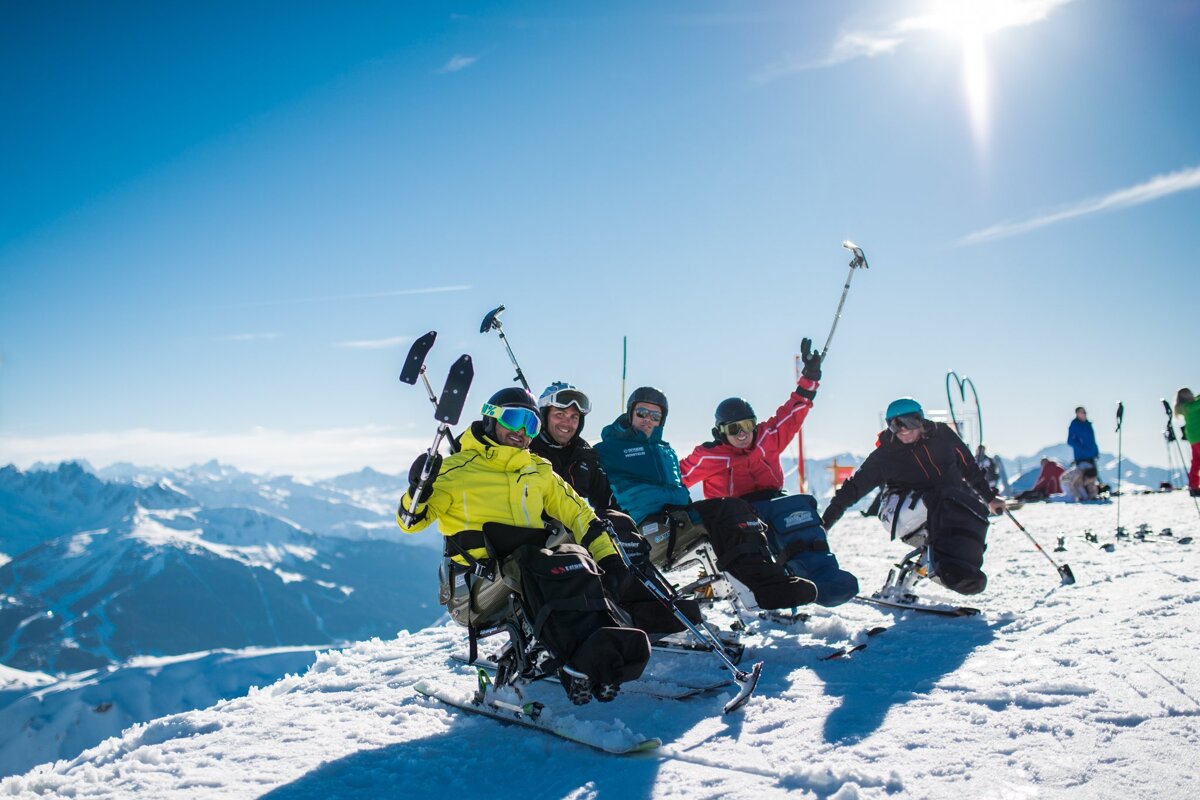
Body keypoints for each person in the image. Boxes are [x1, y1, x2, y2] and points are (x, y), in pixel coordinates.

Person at [397, 387, 650, 705]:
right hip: (474, 587)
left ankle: (600, 656)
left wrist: (608, 560)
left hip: (530, 571)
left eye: (531, 424)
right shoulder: (454, 470)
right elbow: (410, 522)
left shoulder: (539, 470)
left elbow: (581, 516)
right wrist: (417, 488)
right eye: (514, 419)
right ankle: (575, 663)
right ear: (490, 419)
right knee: (546, 566)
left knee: (577, 560)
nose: (522, 431)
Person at [594, 386, 817, 610]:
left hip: (674, 517)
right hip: (647, 528)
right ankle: (764, 588)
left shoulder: (665, 451)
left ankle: (766, 584)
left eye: (655, 415)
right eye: (642, 413)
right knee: (729, 511)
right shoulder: (608, 449)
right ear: (630, 412)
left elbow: (679, 484)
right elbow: (577, 468)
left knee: (737, 510)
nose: (648, 420)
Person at [678, 339, 858, 606]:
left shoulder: (767, 438)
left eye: (748, 425)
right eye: (733, 429)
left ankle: (820, 571)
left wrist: (810, 377)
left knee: (801, 507)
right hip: (735, 512)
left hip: (773, 501)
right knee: (764, 522)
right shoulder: (710, 455)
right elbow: (676, 478)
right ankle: (778, 582)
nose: (742, 434)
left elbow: (794, 411)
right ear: (720, 431)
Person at [529, 380, 703, 634]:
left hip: (578, 528)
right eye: (559, 414)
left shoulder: (583, 455)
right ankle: (646, 614)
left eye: (574, 417)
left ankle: (657, 607)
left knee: (618, 526)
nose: (567, 422)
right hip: (544, 534)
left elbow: (606, 499)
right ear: (544, 416)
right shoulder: (529, 450)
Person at [821, 398, 1006, 596]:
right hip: (899, 512)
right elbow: (853, 488)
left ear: (920, 420)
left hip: (943, 508)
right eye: (895, 425)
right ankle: (938, 566)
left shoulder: (942, 435)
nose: (903, 430)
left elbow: (968, 466)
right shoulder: (885, 454)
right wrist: (825, 523)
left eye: (908, 422)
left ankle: (953, 574)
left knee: (969, 510)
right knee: (942, 500)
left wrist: (989, 498)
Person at [1175, 388, 1200, 497]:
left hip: (1193, 438)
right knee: (1196, 462)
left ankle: (1194, 487)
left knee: (1196, 462)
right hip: (1198, 436)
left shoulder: (1185, 407)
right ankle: (1194, 487)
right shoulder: (1188, 407)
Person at [1067, 406, 1101, 479]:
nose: (1084, 414)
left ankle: (1097, 490)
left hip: (1091, 456)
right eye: (1082, 412)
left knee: (1093, 477)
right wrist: (1082, 449)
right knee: (1085, 478)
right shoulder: (1075, 425)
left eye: (1085, 412)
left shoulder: (1088, 424)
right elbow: (1070, 441)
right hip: (1082, 457)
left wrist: (1096, 451)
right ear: (1077, 413)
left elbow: (1092, 440)